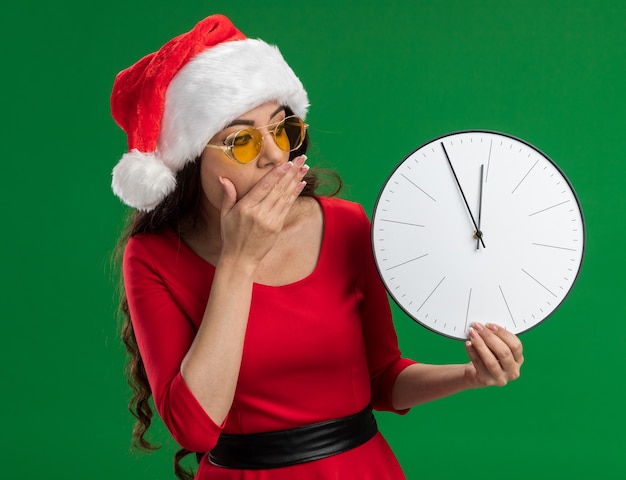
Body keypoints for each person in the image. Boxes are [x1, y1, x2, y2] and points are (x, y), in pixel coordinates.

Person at [111, 14, 524, 480]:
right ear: (189, 161)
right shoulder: (153, 257)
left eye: (281, 128)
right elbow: (195, 429)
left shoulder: (347, 225)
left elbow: (382, 378)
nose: (273, 156)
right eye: (241, 141)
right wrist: (238, 261)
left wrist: (471, 376)